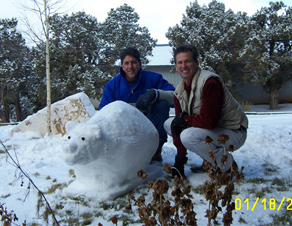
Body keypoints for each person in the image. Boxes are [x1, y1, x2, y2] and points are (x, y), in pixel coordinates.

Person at [164, 44, 248, 178]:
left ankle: (228, 166)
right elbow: (178, 125)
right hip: (213, 131)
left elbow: (209, 121)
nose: (183, 66)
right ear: (176, 66)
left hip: (233, 131)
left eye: (188, 61)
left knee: (188, 136)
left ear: (196, 63)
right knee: (169, 123)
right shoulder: (179, 91)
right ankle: (209, 161)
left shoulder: (210, 82)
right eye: (180, 62)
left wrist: (184, 119)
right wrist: (180, 159)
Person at [99, 47, 175, 163]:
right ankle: (121, 151)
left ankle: (156, 150)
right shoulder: (112, 86)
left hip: (150, 124)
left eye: (134, 62)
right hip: (125, 129)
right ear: (122, 66)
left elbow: (175, 96)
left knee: (162, 104)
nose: (130, 66)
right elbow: (102, 112)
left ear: (139, 64)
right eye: (127, 63)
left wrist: (155, 94)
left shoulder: (154, 79)